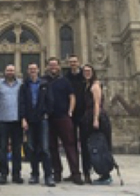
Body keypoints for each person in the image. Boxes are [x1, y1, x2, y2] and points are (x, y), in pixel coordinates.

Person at [43, 57, 84, 185]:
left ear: (59, 66)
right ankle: (57, 173)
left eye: (55, 65)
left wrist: (70, 111)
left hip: (63, 116)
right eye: (51, 65)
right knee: (52, 147)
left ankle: (75, 173)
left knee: (70, 145)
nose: (53, 67)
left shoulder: (65, 81)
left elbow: (72, 96)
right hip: (49, 118)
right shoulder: (44, 81)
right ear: (47, 67)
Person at [19, 62, 55, 187]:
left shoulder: (45, 84)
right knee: (31, 148)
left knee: (45, 148)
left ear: (38, 70)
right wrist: (23, 118)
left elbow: (50, 100)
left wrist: (47, 113)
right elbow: (22, 103)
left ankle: (48, 175)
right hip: (29, 120)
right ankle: (34, 174)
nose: (33, 71)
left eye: (34, 69)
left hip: (42, 119)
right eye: (30, 69)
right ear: (28, 71)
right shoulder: (24, 86)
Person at [81, 64, 112, 185]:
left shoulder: (95, 85)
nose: (87, 73)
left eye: (89, 71)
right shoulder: (87, 85)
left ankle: (105, 175)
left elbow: (97, 104)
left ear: (93, 72)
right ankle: (95, 173)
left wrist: (96, 119)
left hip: (97, 118)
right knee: (91, 146)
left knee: (100, 146)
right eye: (85, 71)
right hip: (88, 118)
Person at [0, 64, 23, 185]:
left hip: (17, 121)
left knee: (17, 149)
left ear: (15, 72)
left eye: (12, 70)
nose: (10, 72)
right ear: (4, 72)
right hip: (3, 120)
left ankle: (16, 174)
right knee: (2, 148)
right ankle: (3, 174)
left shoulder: (21, 84)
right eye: (8, 70)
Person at [64, 54, 86, 182]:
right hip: (70, 114)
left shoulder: (85, 75)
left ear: (79, 62)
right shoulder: (66, 77)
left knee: (85, 143)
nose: (73, 63)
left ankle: (87, 171)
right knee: (71, 143)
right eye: (71, 62)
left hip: (84, 114)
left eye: (75, 61)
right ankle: (75, 172)